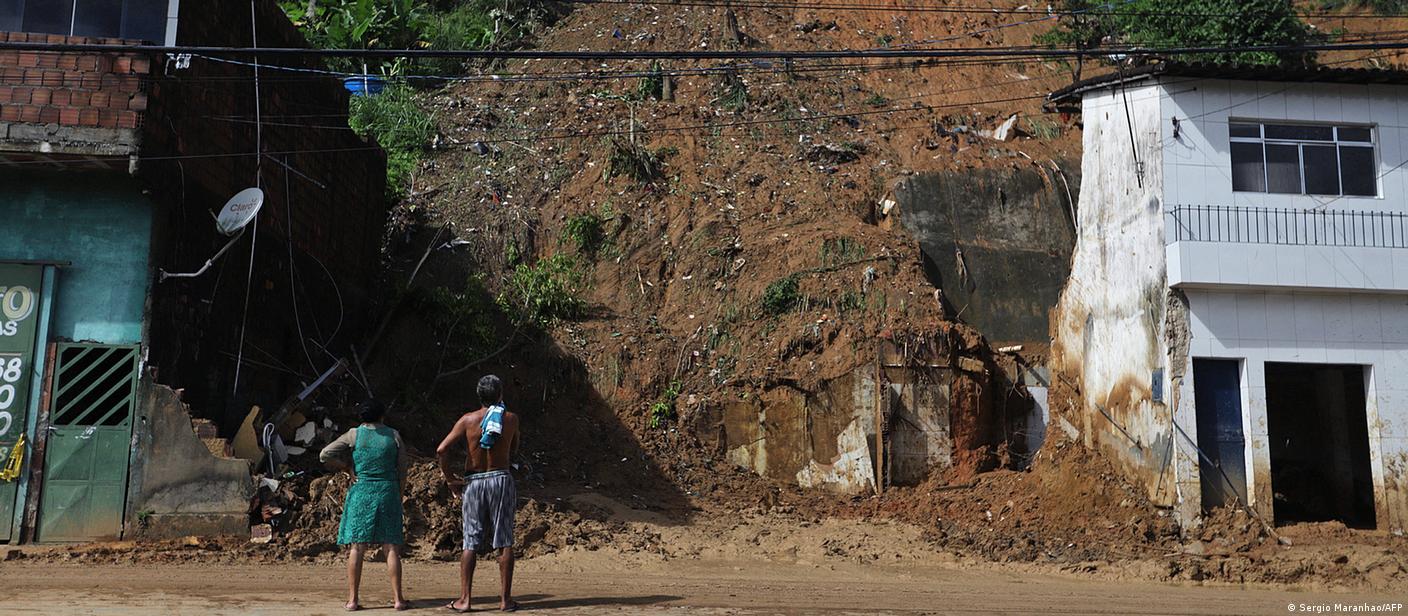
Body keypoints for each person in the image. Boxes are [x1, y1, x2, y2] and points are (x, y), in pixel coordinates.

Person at [437, 374, 521, 613]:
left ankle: (465, 600)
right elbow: (514, 448)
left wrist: (450, 478)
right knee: (504, 540)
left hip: (473, 481)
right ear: (500, 394)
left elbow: (442, 449)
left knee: (470, 541)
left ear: (479, 395)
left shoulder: (468, 420)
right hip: (500, 478)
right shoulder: (511, 419)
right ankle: (505, 601)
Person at [320, 399, 410, 612]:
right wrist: (399, 494)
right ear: (382, 416)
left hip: (362, 492)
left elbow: (325, 454)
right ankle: (398, 600)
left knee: (357, 547)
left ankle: (352, 600)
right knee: (391, 547)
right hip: (387, 491)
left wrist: (346, 468)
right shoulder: (394, 435)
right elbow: (403, 471)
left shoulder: (354, 434)